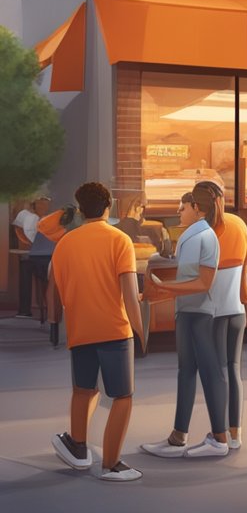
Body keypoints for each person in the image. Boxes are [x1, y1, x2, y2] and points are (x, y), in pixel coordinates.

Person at [49, 183, 145, 481]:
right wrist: (141, 332)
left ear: (80, 210)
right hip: (115, 330)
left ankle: (78, 448)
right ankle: (112, 464)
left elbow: (54, 292)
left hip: (80, 330)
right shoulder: (119, 240)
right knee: (122, 396)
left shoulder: (65, 243)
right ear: (110, 207)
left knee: (84, 389)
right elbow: (130, 294)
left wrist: (55, 323)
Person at [140, 187, 230, 458]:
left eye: (184, 205)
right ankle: (179, 435)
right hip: (189, 310)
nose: (179, 210)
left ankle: (218, 438)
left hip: (199, 312)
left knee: (209, 370)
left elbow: (203, 282)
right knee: (187, 371)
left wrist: (163, 288)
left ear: (199, 209)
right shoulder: (196, 235)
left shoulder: (201, 236)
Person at [203, 182, 247, 451]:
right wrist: (244, 284)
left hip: (214, 310)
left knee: (217, 372)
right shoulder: (239, 224)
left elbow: (199, 276)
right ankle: (236, 434)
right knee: (233, 370)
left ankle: (218, 435)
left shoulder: (205, 231)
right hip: (237, 309)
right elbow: (246, 260)